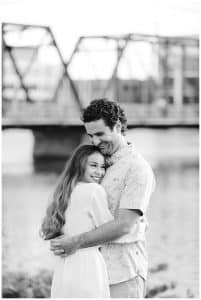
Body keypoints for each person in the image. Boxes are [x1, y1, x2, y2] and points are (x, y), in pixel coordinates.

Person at [50, 98, 156, 298]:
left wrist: (75, 242)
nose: (95, 141)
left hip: (123, 272)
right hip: (90, 271)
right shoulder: (96, 162)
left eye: (100, 134)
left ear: (117, 126)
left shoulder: (137, 168)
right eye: (90, 136)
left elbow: (125, 225)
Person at [40, 144, 115, 298]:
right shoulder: (94, 190)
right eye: (93, 165)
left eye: (103, 167)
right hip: (88, 263)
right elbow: (108, 230)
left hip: (64, 265)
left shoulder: (64, 192)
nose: (100, 172)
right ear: (79, 165)